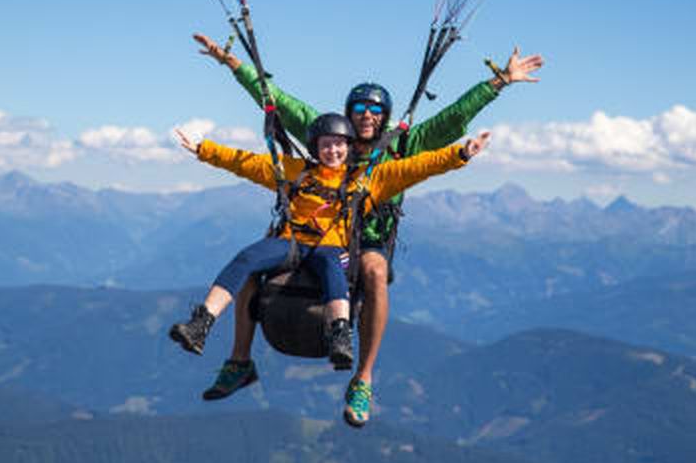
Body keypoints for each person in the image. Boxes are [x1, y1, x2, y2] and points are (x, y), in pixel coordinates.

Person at [193, 33, 542, 426]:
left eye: (376, 109)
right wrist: (233, 64)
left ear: (386, 115)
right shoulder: (326, 130)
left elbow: (453, 120)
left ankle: (363, 378)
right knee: (260, 259)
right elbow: (275, 99)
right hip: (318, 229)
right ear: (347, 113)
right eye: (359, 107)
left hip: (369, 237)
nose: (367, 114)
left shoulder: (404, 144)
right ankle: (240, 361)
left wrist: (498, 82)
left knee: (374, 272)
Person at [169, 112, 491, 402]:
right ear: (315, 147)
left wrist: (460, 154)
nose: (333, 151)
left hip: (331, 247)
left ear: (349, 146)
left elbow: (417, 168)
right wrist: (203, 150)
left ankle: (339, 336)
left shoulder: (368, 179)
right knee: (246, 258)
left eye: (339, 145)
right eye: (326, 145)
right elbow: (247, 163)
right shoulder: (296, 172)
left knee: (334, 271)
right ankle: (201, 323)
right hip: (291, 241)